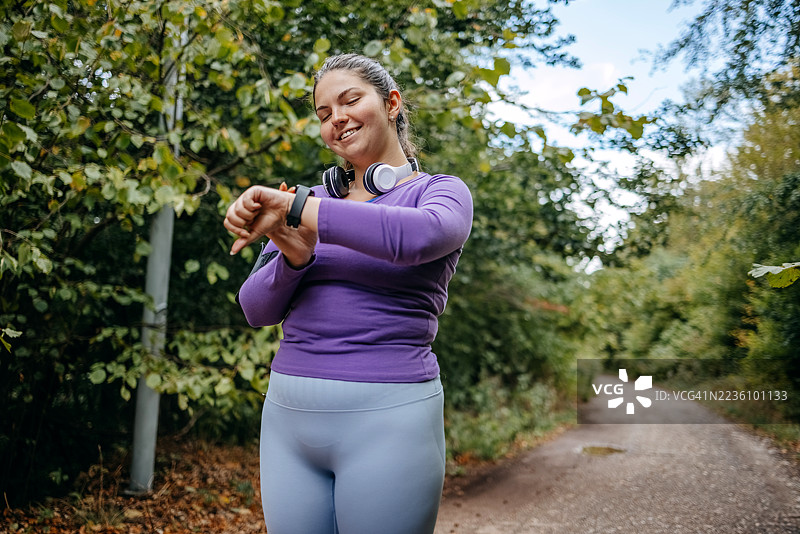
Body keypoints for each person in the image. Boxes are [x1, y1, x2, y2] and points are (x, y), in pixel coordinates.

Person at [223, 53, 473, 534]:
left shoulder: (439, 192)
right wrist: (296, 259)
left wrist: (300, 209)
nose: (336, 117)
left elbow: (415, 238)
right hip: (288, 420)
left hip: (390, 418)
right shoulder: (305, 203)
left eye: (350, 99)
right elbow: (255, 309)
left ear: (392, 103)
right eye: (323, 114)